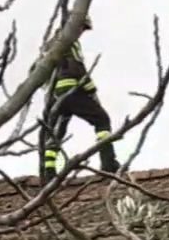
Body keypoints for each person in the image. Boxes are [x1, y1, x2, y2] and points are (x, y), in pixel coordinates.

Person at [40, 22, 120, 180]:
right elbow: (76, 68)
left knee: (56, 133)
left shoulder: (49, 45)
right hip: (72, 90)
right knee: (102, 120)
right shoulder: (70, 42)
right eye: (82, 27)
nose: (82, 32)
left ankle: (48, 173)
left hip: (54, 96)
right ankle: (108, 163)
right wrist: (91, 90)